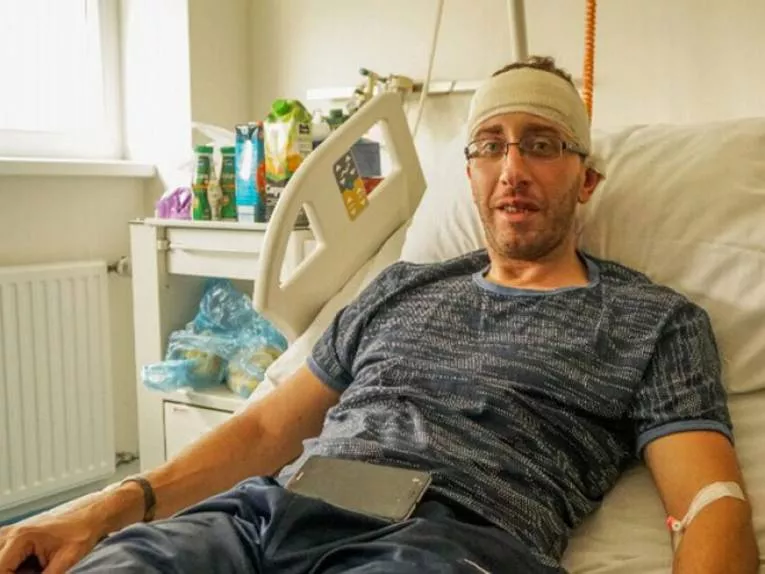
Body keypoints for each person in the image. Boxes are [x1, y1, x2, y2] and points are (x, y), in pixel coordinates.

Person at [0, 56, 758, 574]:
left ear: (585, 178)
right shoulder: (400, 286)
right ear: (469, 173)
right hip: (267, 515)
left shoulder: (650, 320)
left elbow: (708, 502)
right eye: (490, 146)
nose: (513, 169)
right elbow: (265, 431)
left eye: (542, 144)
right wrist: (108, 508)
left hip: (444, 541)